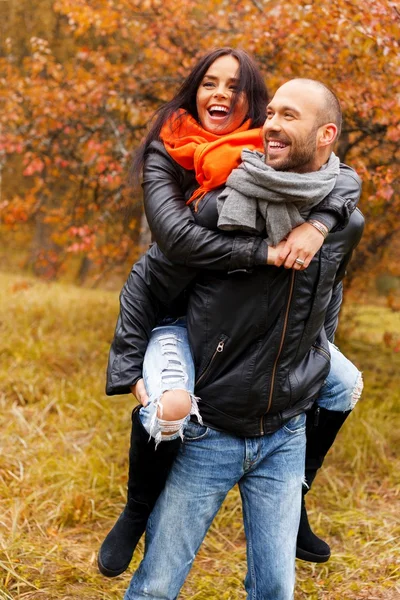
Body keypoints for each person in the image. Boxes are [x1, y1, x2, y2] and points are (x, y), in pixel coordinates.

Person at [98, 49, 362, 579]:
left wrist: (324, 222)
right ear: (194, 91)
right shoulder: (184, 165)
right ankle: (136, 509)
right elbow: (171, 244)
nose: (221, 94)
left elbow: (341, 187)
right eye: (209, 83)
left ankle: (300, 491)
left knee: (343, 383)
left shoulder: (299, 179)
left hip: (258, 359)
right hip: (177, 316)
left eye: (236, 88)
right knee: (171, 403)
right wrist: (262, 253)